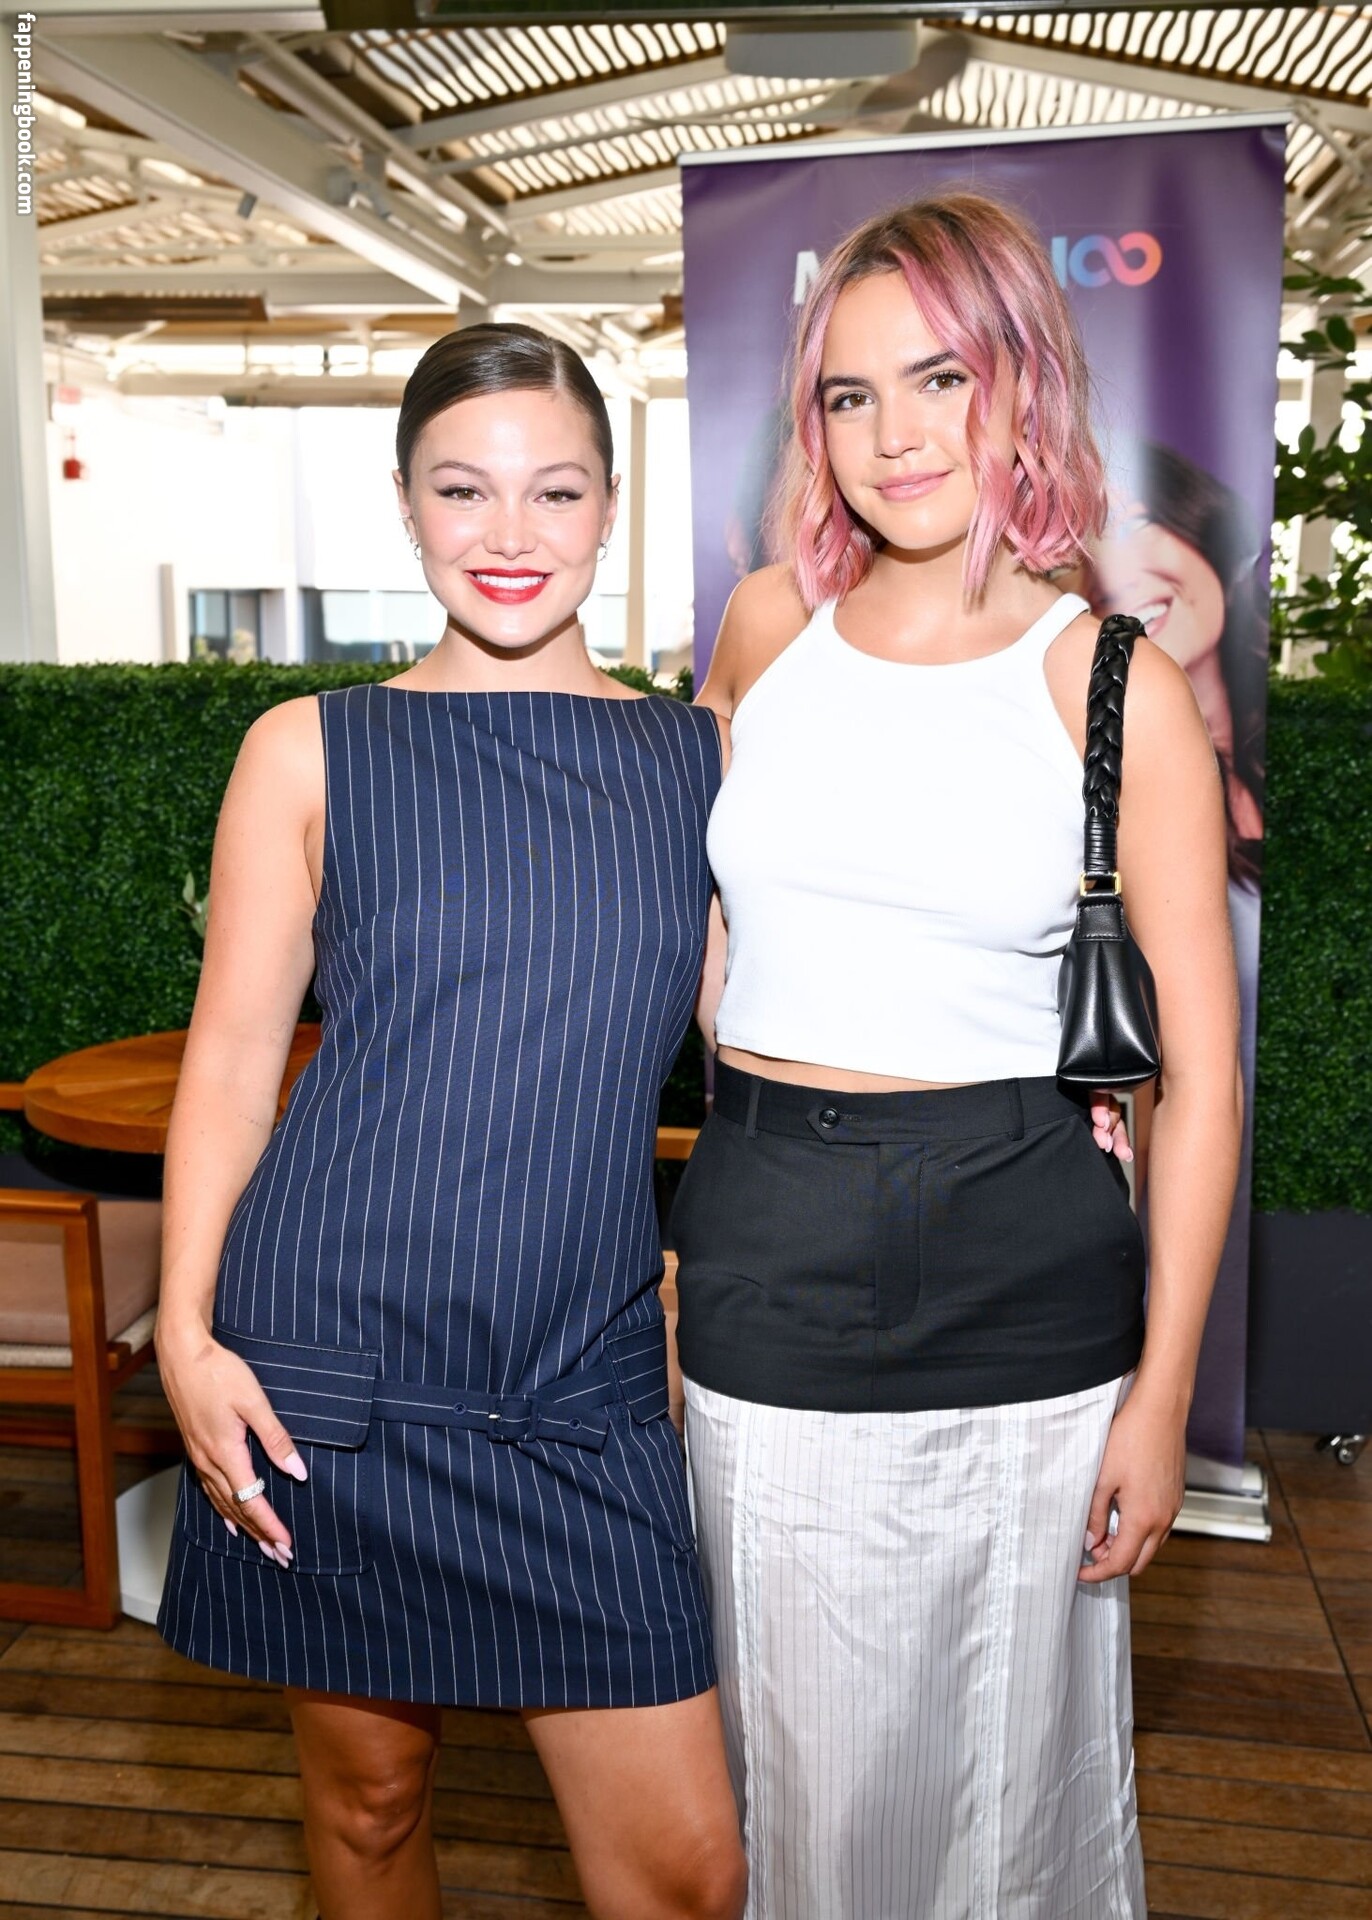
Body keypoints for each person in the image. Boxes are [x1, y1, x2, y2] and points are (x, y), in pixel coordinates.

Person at [672, 193, 1242, 1917]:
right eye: (850, 395)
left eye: (941, 379)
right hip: (767, 1239)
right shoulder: (766, 628)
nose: (896, 435)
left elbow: (1199, 1083)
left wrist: (1163, 1396)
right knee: (792, 1783)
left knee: (1013, 1792)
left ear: (1022, 385)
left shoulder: (1111, 685)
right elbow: (703, 933)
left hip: (1023, 1269)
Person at [155, 323, 747, 1920]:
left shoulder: (697, 760)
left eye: (555, 490)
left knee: (690, 1875)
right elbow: (233, 1063)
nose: (509, 533)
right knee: (369, 1809)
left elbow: (766, 1051)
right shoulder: (308, 748)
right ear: (407, 502)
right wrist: (189, 1336)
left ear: (610, 504)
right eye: (463, 488)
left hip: (580, 1375)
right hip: (329, 1370)